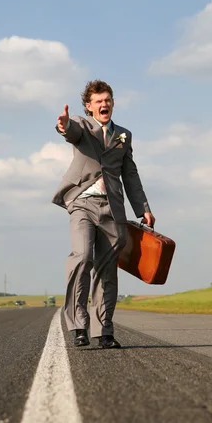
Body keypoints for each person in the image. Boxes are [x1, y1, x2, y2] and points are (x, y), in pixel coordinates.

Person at [52, 80, 155, 348]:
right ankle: (78, 325)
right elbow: (70, 130)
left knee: (107, 269)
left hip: (113, 208)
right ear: (89, 106)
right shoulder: (82, 127)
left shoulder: (124, 135)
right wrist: (63, 125)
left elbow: (130, 174)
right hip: (82, 204)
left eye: (107, 99)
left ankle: (105, 330)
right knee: (83, 257)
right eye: (98, 101)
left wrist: (143, 208)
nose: (104, 104)